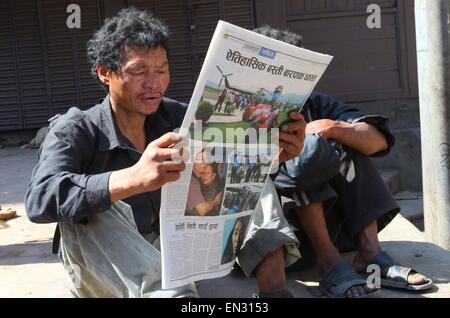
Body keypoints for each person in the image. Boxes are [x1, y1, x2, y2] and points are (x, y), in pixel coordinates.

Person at [24, 9, 306, 298]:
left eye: (161, 70)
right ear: (105, 73)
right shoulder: (75, 128)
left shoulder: (177, 117)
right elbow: (39, 199)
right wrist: (132, 178)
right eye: (139, 72)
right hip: (108, 271)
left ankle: (275, 293)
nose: (154, 83)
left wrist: (271, 154)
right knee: (91, 208)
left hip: (180, 253)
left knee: (248, 176)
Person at [254, 25, 434, 298]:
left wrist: (334, 128)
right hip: (282, 244)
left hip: (339, 229)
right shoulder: (242, 115)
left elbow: (378, 141)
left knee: (344, 137)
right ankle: (329, 263)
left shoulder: (314, 104)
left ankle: (370, 254)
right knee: (304, 151)